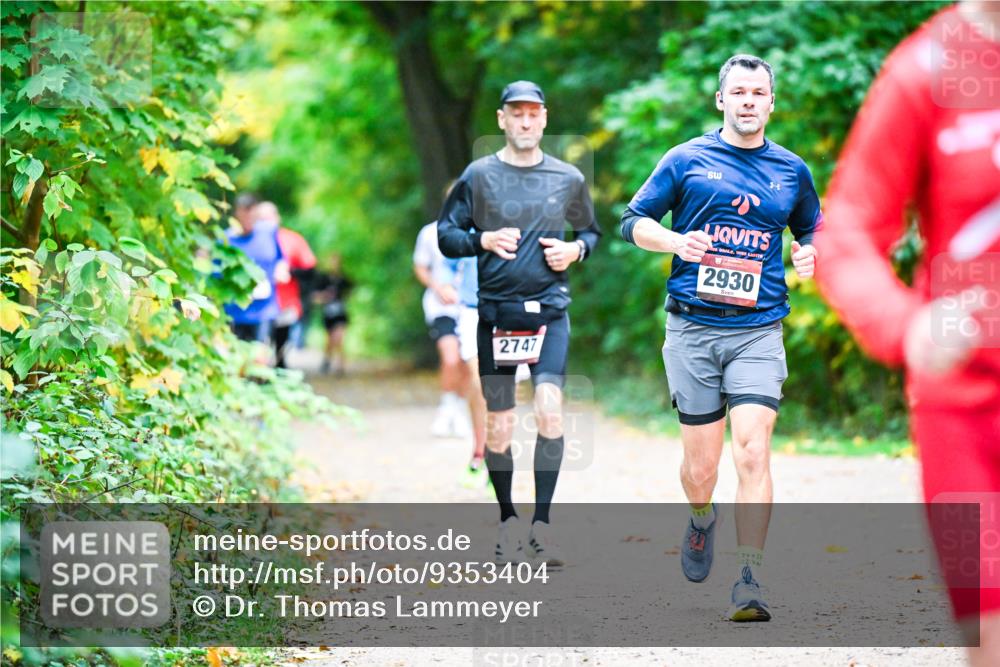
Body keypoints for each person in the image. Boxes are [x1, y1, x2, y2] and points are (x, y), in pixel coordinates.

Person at [814, 4, 999, 663]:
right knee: (992, 633)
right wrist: (906, 324)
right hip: (967, 412)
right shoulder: (925, 69)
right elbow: (849, 233)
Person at [619, 55, 822, 621]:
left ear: (772, 103)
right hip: (692, 330)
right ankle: (702, 515)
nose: (749, 101)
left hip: (759, 330)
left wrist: (808, 252)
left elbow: (811, 225)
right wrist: (675, 243)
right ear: (721, 100)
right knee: (701, 469)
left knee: (753, 449)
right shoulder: (686, 159)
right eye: (739, 92)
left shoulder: (791, 170)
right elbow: (632, 220)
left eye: (759, 92)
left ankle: (750, 576)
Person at [438, 80, 602, 566]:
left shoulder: (567, 178)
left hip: (549, 311)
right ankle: (509, 519)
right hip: (496, 316)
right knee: (499, 426)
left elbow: (590, 231)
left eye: (533, 113)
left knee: (550, 409)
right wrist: (482, 241)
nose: (526, 122)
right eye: (517, 113)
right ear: (502, 119)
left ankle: (543, 526)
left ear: (545, 119)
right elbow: (447, 235)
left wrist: (575, 250)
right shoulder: (479, 175)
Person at [414, 217, 470, 438]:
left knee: (468, 360)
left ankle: (460, 409)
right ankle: (447, 407)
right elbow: (421, 266)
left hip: (470, 305)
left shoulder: (482, 229)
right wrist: (438, 288)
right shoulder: (430, 233)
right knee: (451, 358)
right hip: (442, 306)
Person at [442, 254, 490, 489]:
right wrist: (445, 284)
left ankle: (499, 456)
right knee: (480, 381)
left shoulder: (522, 219)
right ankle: (480, 451)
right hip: (472, 312)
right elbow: (447, 263)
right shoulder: (469, 221)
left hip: (511, 313)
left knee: (503, 387)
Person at [253, 201, 318, 369]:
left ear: (277, 218)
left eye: (268, 217)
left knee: (280, 344)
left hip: (284, 302)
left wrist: (290, 272)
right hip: (254, 305)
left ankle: (279, 373)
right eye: (260, 218)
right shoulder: (247, 239)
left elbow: (309, 269)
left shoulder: (291, 239)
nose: (265, 222)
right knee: (258, 345)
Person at [224, 193, 289, 346]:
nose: (248, 220)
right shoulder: (226, 239)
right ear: (237, 214)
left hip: (264, 309)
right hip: (235, 310)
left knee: (260, 357)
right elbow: (215, 270)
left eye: (251, 214)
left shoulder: (269, 232)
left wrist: (281, 269)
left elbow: (281, 258)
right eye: (244, 214)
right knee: (237, 361)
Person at [313, 253, 353, 376]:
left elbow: (351, 291)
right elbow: (314, 297)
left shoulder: (343, 279)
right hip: (328, 313)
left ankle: (341, 366)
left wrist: (345, 298)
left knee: (339, 338)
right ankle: (327, 360)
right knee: (330, 340)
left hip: (340, 313)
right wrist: (323, 297)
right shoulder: (323, 279)